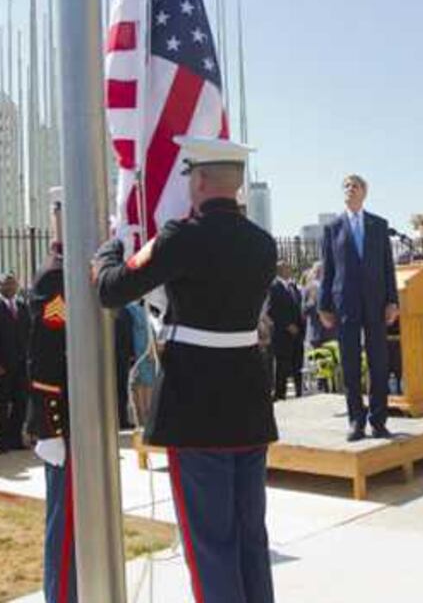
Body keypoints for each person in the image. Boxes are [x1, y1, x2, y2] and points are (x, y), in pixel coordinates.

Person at [95, 136, 279, 603]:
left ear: (197, 181)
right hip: (247, 405)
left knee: (210, 546)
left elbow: (113, 290)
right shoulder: (262, 244)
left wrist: (110, 252)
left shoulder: (183, 236)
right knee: (249, 539)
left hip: (197, 408)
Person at [318, 174, 400, 441]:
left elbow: (388, 267)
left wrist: (392, 301)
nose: (349, 190)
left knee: (379, 361)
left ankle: (379, 420)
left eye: (355, 186)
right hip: (345, 304)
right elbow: (327, 270)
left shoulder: (378, 225)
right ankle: (356, 420)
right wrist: (324, 305)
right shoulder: (333, 228)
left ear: (364, 192)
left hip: (376, 303)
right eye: (346, 186)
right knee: (350, 364)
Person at [27, 188, 75, 603]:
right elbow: (46, 354)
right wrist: (50, 426)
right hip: (65, 421)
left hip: (85, 418)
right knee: (65, 521)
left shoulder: (78, 270)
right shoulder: (56, 279)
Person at [0, 273, 30, 451]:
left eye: (12, 284)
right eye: (5, 284)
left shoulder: (23, 307)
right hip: (1, 365)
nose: (10, 287)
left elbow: (28, 334)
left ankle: (15, 438)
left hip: (21, 364)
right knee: (2, 404)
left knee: (20, 402)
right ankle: (1, 441)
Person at [267, 261, 306, 399]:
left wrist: (300, 325)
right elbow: (272, 310)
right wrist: (287, 324)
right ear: (280, 270)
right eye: (286, 267)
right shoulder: (274, 287)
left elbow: (298, 307)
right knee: (282, 364)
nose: (289, 269)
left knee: (298, 363)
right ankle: (280, 393)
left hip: (297, 332)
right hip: (282, 334)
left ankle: (299, 390)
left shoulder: (293, 286)